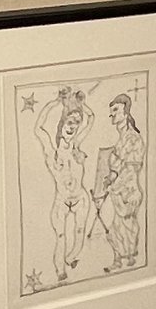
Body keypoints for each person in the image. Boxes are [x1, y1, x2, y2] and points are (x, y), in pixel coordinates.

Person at [28, 87, 94, 283]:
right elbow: (38, 128)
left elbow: (91, 118)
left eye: (76, 123)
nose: (73, 127)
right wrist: (56, 102)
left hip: (81, 198)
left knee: (80, 233)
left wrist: (81, 104)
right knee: (61, 236)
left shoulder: (77, 145)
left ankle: (71, 257)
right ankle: (60, 270)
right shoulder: (52, 151)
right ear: (62, 123)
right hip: (62, 200)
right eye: (69, 122)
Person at [94, 92, 148, 270]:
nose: (112, 115)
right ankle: (119, 260)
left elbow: (131, 169)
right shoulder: (121, 139)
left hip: (128, 191)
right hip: (117, 191)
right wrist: (110, 178)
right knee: (115, 227)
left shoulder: (133, 138)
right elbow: (117, 167)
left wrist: (114, 183)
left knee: (126, 225)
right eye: (111, 112)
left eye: (116, 110)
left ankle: (129, 260)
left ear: (126, 112)